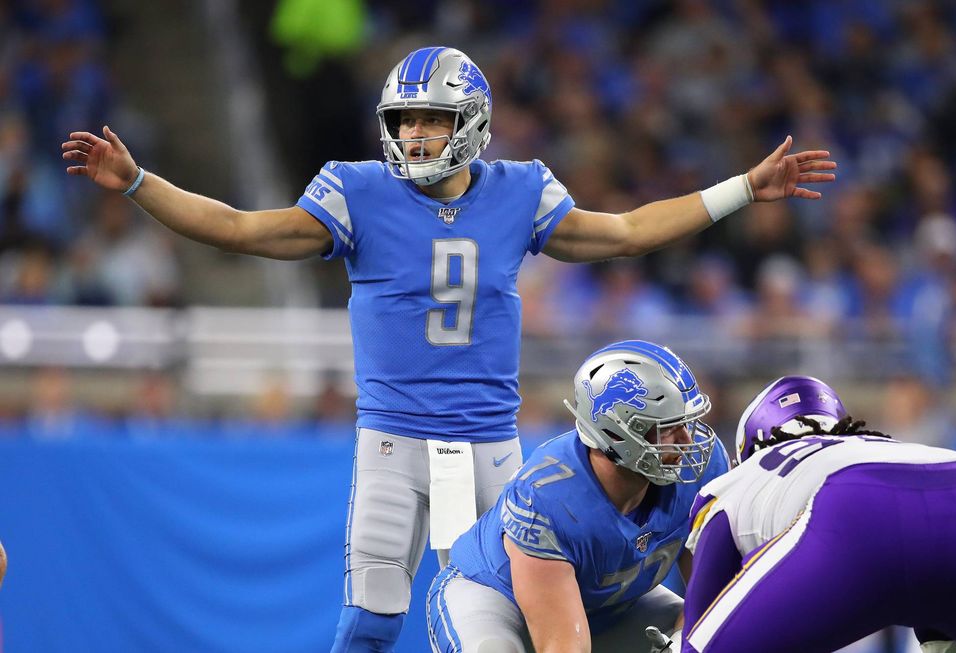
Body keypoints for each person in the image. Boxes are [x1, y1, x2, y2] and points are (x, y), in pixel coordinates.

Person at [61, 46, 835, 651]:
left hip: (489, 440)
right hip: (394, 436)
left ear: (470, 121)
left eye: (430, 120)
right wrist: (139, 183)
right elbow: (238, 228)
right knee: (370, 617)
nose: (413, 135)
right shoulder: (358, 190)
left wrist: (741, 187)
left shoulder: (518, 191)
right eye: (404, 121)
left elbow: (627, 231)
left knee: (510, 615)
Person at [427, 340, 731, 652]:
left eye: (687, 422)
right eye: (667, 428)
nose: (686, 440)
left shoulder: (702, 468)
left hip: (609, 607)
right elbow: (564, 645)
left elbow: (711, 595)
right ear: (615, 433)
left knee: (721, 634)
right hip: (497, 600)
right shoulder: (549, 497)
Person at [674, 375, 956, 653]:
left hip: (854, 508)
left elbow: (700, 623)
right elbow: (927, 539)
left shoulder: (736, 483)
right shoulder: (882, 445)